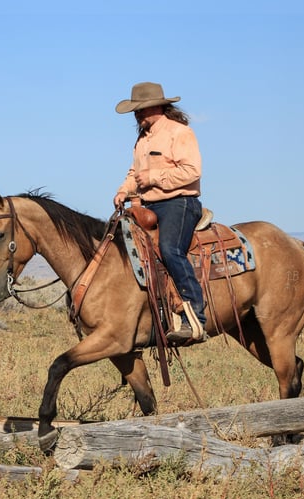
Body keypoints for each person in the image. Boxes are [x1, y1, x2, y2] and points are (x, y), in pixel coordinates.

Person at [113, 82, 207, 345]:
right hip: (148, 206)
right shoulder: (142, 139)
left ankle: (195, 317)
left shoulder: (180, 132)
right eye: (135, 111)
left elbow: (192, 171)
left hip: (179, 202)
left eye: (141, 110)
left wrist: (154, 177)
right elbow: (134, 175)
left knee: (169, 249)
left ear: (158, 106)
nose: (138, 115)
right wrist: (123, 191)